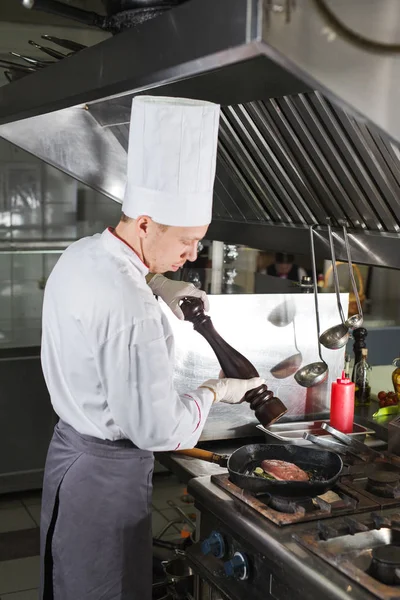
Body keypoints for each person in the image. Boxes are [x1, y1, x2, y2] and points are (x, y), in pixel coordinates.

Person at [39, 96, 264, 600]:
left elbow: (118, 281)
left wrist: (157, 283)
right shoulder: (131, 307)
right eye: (185, 240)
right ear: (144, 223)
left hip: (71, 461)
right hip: (104, 479)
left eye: (199, 241)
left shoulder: (84, 254)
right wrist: (214, 390)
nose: (192, 255)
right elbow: (157, 431)